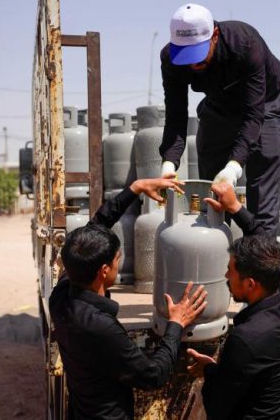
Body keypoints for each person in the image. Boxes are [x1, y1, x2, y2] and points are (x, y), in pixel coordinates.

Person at [49, 175, 208, 420]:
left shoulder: (61, 296)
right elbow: (152, 375)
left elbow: (95, 228)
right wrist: (176, 324)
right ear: (104, 271)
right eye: (117, 258)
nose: (119, 261)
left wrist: (135, 189)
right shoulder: (101, 327)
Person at [158, 3, 280, 235]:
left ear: (215, 35)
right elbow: (176, 115)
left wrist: (234, 167)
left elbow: (254, 115)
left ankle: (261, 251)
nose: (193, 64)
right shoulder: (171, 59)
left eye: (198, 55)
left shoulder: (245, 43)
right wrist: (169, 162)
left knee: (261, 183)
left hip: (265, 103)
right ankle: (217, 249)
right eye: (186, 57)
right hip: (219, 103)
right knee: (213, 184)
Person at [187, 183, 280, 419]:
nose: (226, 275)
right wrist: (235, 207)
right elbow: (270, 253)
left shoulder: (245, 339)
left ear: (251, 284)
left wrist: (210, 370)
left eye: (231, 271)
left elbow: (217, 407)